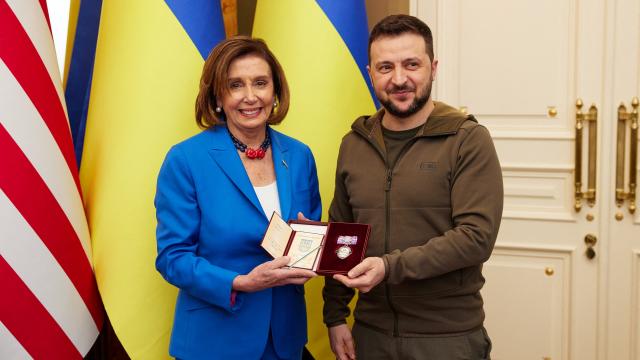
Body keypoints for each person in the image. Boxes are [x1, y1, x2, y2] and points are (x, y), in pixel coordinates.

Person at [322, 15, 503, 360]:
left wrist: (389, 267)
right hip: (369, 336)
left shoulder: (467, 139)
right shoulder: (354, 144)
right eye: (385, 67)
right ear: (370, 72)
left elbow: (476, 237)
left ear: (433, 68)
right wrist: (335, 316)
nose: (399, 78)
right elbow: (343, 234)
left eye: (412, 64)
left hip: (446, 338)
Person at [155, 36, 321, 360]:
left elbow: (308, 240)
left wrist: (311, 246)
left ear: (275, 91)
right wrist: (241, 282)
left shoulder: (300, 156)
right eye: (235, 85)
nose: (250, 97)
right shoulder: (186, 160)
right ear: (218, 95)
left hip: (284, 342)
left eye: (260, 83)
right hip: (214, 342)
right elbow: (172, 258)